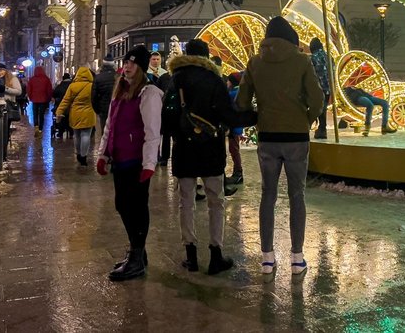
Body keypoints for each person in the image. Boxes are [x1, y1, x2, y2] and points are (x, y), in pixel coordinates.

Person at [236, 16, 324, 275]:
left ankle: (267, 258)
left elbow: (242, 102)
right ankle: (297, 258)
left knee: (268, 195)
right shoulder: (302, 60)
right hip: (296, 137)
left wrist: (260, 113)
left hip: (268, 137)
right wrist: (304, 119)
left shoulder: (254, 62)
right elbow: (317, 99)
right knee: (297, 195)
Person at [162, 39, 239, 275]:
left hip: (184, 150)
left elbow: (167, 115)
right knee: (216, 202)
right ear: (206, 57)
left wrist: (179, 134)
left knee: (186, 202)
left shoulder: (176, 79)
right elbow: (227, 113)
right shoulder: (214, 79)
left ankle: (191, 255)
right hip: (211, 149)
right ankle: (216, 254)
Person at [97, 45, 163, 281]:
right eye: (126, 62)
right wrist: (103, 154)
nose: (128, 66)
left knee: (135, 207)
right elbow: (110, 126)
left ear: (142, 67)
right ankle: (137, 251)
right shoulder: (121, 89)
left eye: (133, 63)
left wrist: (149, 164)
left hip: (136, 160)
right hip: (120, 159)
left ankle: (137, 256)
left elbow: (152, 132)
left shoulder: (149, 93)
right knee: (122, 205)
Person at [55, 67, 96, 167]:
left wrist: (59, 111)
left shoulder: (72, 86)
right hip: (89, 113)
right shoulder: (92, 86)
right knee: (86, 135)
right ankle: (84, 156)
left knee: (77, 135)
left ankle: (78, 153)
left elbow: (65, 100)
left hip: (75, 113)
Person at [310, 38, 332, 140]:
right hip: (328, 88)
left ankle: (321, 129)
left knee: (319, 109)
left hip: (318, 87)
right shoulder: (329, 57)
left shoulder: (313, 58)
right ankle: (322, 129)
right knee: (323, 108)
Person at [92, 55, 118, 135]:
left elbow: (94, 96)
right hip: (116, 107)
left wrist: (97, 110)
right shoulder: (118, 77)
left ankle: (105, 147)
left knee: (105, 132)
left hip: (103, 109)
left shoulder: (98, 77)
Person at [27, 66, 53, 136]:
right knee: (41, 115)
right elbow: (49, 90)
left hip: (34, 100)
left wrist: (30, 97)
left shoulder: (32, 79)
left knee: (35, 114)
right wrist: (49, 98)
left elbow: (29, 90)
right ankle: (40, 129)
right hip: (43, 100)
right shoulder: (46, 79)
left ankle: (36, 127)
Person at [52, 73, 73, 139]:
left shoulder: (59, 86)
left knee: (60, 118)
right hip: (70, 107)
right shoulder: (72, 85)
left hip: (60, 106)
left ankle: (60, 132)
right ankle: (71, 132)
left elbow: (54, 94)